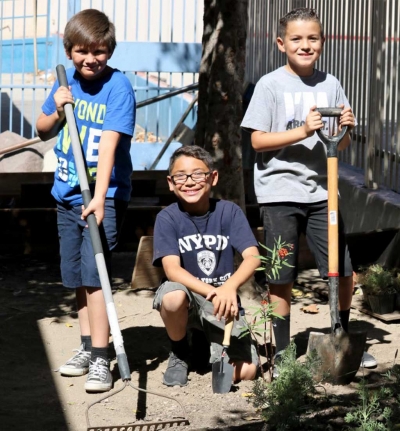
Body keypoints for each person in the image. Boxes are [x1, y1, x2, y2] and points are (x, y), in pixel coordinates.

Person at [240, 7, 377, 376]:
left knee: (342, 269)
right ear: (281, 43)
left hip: (322, 191)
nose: (305, 45)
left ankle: (342, 335)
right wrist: (302, 131)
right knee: (281, 274)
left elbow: (340, 145)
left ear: (322, 41)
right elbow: (257, 140)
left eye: (312, 38)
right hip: (278, 192)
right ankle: (283, 351)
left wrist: (346, 128)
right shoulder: (269, 85)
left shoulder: (330, 83)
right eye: (297, 39)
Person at [36, 9, 136, 392]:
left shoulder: (117, 86)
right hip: (65, 195)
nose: (91, 58)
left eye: (99, 51)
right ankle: (84, 347)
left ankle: (100, 357)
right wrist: (59, 108)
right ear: (69, 51)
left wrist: (98, 197)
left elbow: (110, 145)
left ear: (109, 50)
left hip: (103, 196)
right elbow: (43, 130)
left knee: (96, 279)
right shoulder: (66, 85)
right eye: (82, 51)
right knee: (78, 277)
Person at [152, 145, 260, 387]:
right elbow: (172, 270)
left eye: (198, 174)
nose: (189, 182)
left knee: (250, 370)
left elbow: (253, 257)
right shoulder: (167, 218)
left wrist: (229, 287)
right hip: (189, 297)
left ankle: (204, 345)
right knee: (173, 296)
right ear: (171, 182)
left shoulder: (229, 212)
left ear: (213, 177)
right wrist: (213, 291)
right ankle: (179, 353)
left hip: (222, 304)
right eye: (181, 176)